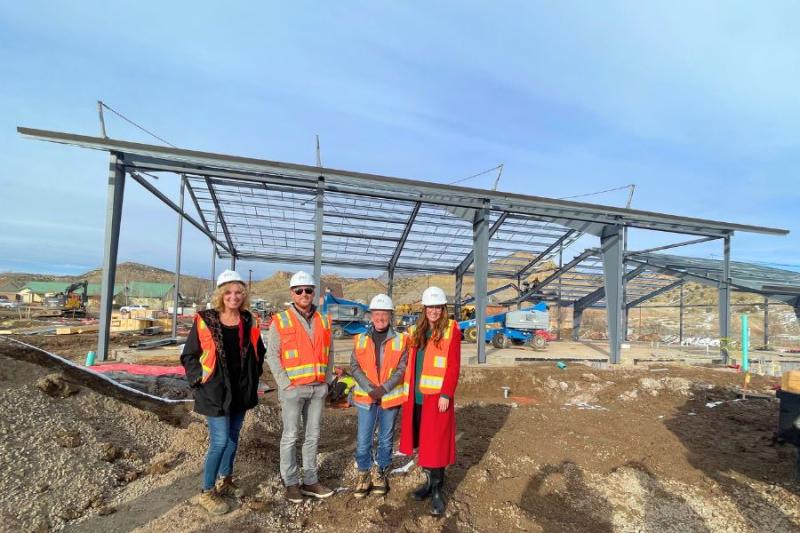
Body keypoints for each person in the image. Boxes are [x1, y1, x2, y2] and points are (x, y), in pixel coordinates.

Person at [180, 269, 265, 516]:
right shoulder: (205, 320)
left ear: (244, 295)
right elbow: (189, 355)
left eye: (238, 292)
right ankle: (206, 491)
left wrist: (254, 375)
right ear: (220, 295)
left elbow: (259, 351)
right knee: (219, 441)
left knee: (233, 436)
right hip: (214, 391)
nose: (234, 296)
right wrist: (199, 379)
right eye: (228, 292)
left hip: (240, 390)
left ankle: (225, 479)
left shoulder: (250, 320)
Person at [266, 270, 335, 503]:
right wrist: (285, 385)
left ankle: (310, 480)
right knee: (291, 436)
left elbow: (330, 352)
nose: (304, 294)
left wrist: (327, 381)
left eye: (308, 290)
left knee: (313, 436)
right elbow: (272, 356)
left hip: (317, 389)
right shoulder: (281, 320)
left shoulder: (324, 320)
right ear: (292, 294)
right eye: (299, 290)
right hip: (293, 390)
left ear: (313, 292)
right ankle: (291, 482)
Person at [399, 286, 461, 516]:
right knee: (424, 443)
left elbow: (454, 366)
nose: (433, 311)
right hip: (416, 397)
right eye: (430, 307)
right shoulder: (416, 330)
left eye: (437, 307)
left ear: (443, 309)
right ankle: (428, 483)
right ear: (424, 309)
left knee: (435, 444)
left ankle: (437, 490)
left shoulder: (451, 330)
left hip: (436, 398)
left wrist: (446, 393)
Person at [350, 294, 408, 498]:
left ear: (390, 315)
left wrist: (383, 388)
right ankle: (363, 473)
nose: (380, 317)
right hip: (367, 398)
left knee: (385, 438)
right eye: (377, 313)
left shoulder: (402, 340)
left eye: (384, 313)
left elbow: (402, 368)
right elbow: (354, 366)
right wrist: (369, 388)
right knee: (363, 438)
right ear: (371, 315)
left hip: (389, 397)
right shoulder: (360, 339)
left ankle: (381, 471)